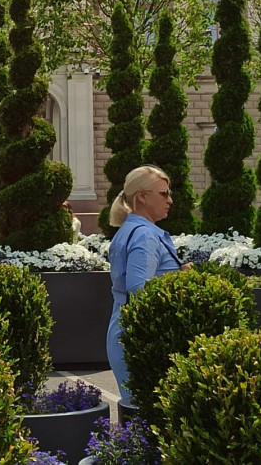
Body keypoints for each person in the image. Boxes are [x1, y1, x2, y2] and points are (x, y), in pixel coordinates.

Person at [106, 165, 188, 406]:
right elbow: (139, 288)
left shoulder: (130, 230)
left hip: (126, 326)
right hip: (139, 334)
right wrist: (180, 279)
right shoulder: (144, 235)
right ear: (142, 196)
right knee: (149, 414)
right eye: (163, 194)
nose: (170, 200)